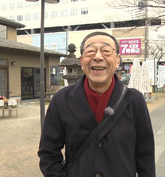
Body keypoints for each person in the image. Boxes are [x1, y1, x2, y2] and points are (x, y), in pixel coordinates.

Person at [38, 32, 155, 177]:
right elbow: (48, 153)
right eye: (90, 51)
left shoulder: (134, 100)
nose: (98, 57)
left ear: (118, 60)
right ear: (82, 61)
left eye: (106, 51)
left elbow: (146, 154)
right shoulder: (62, 100)